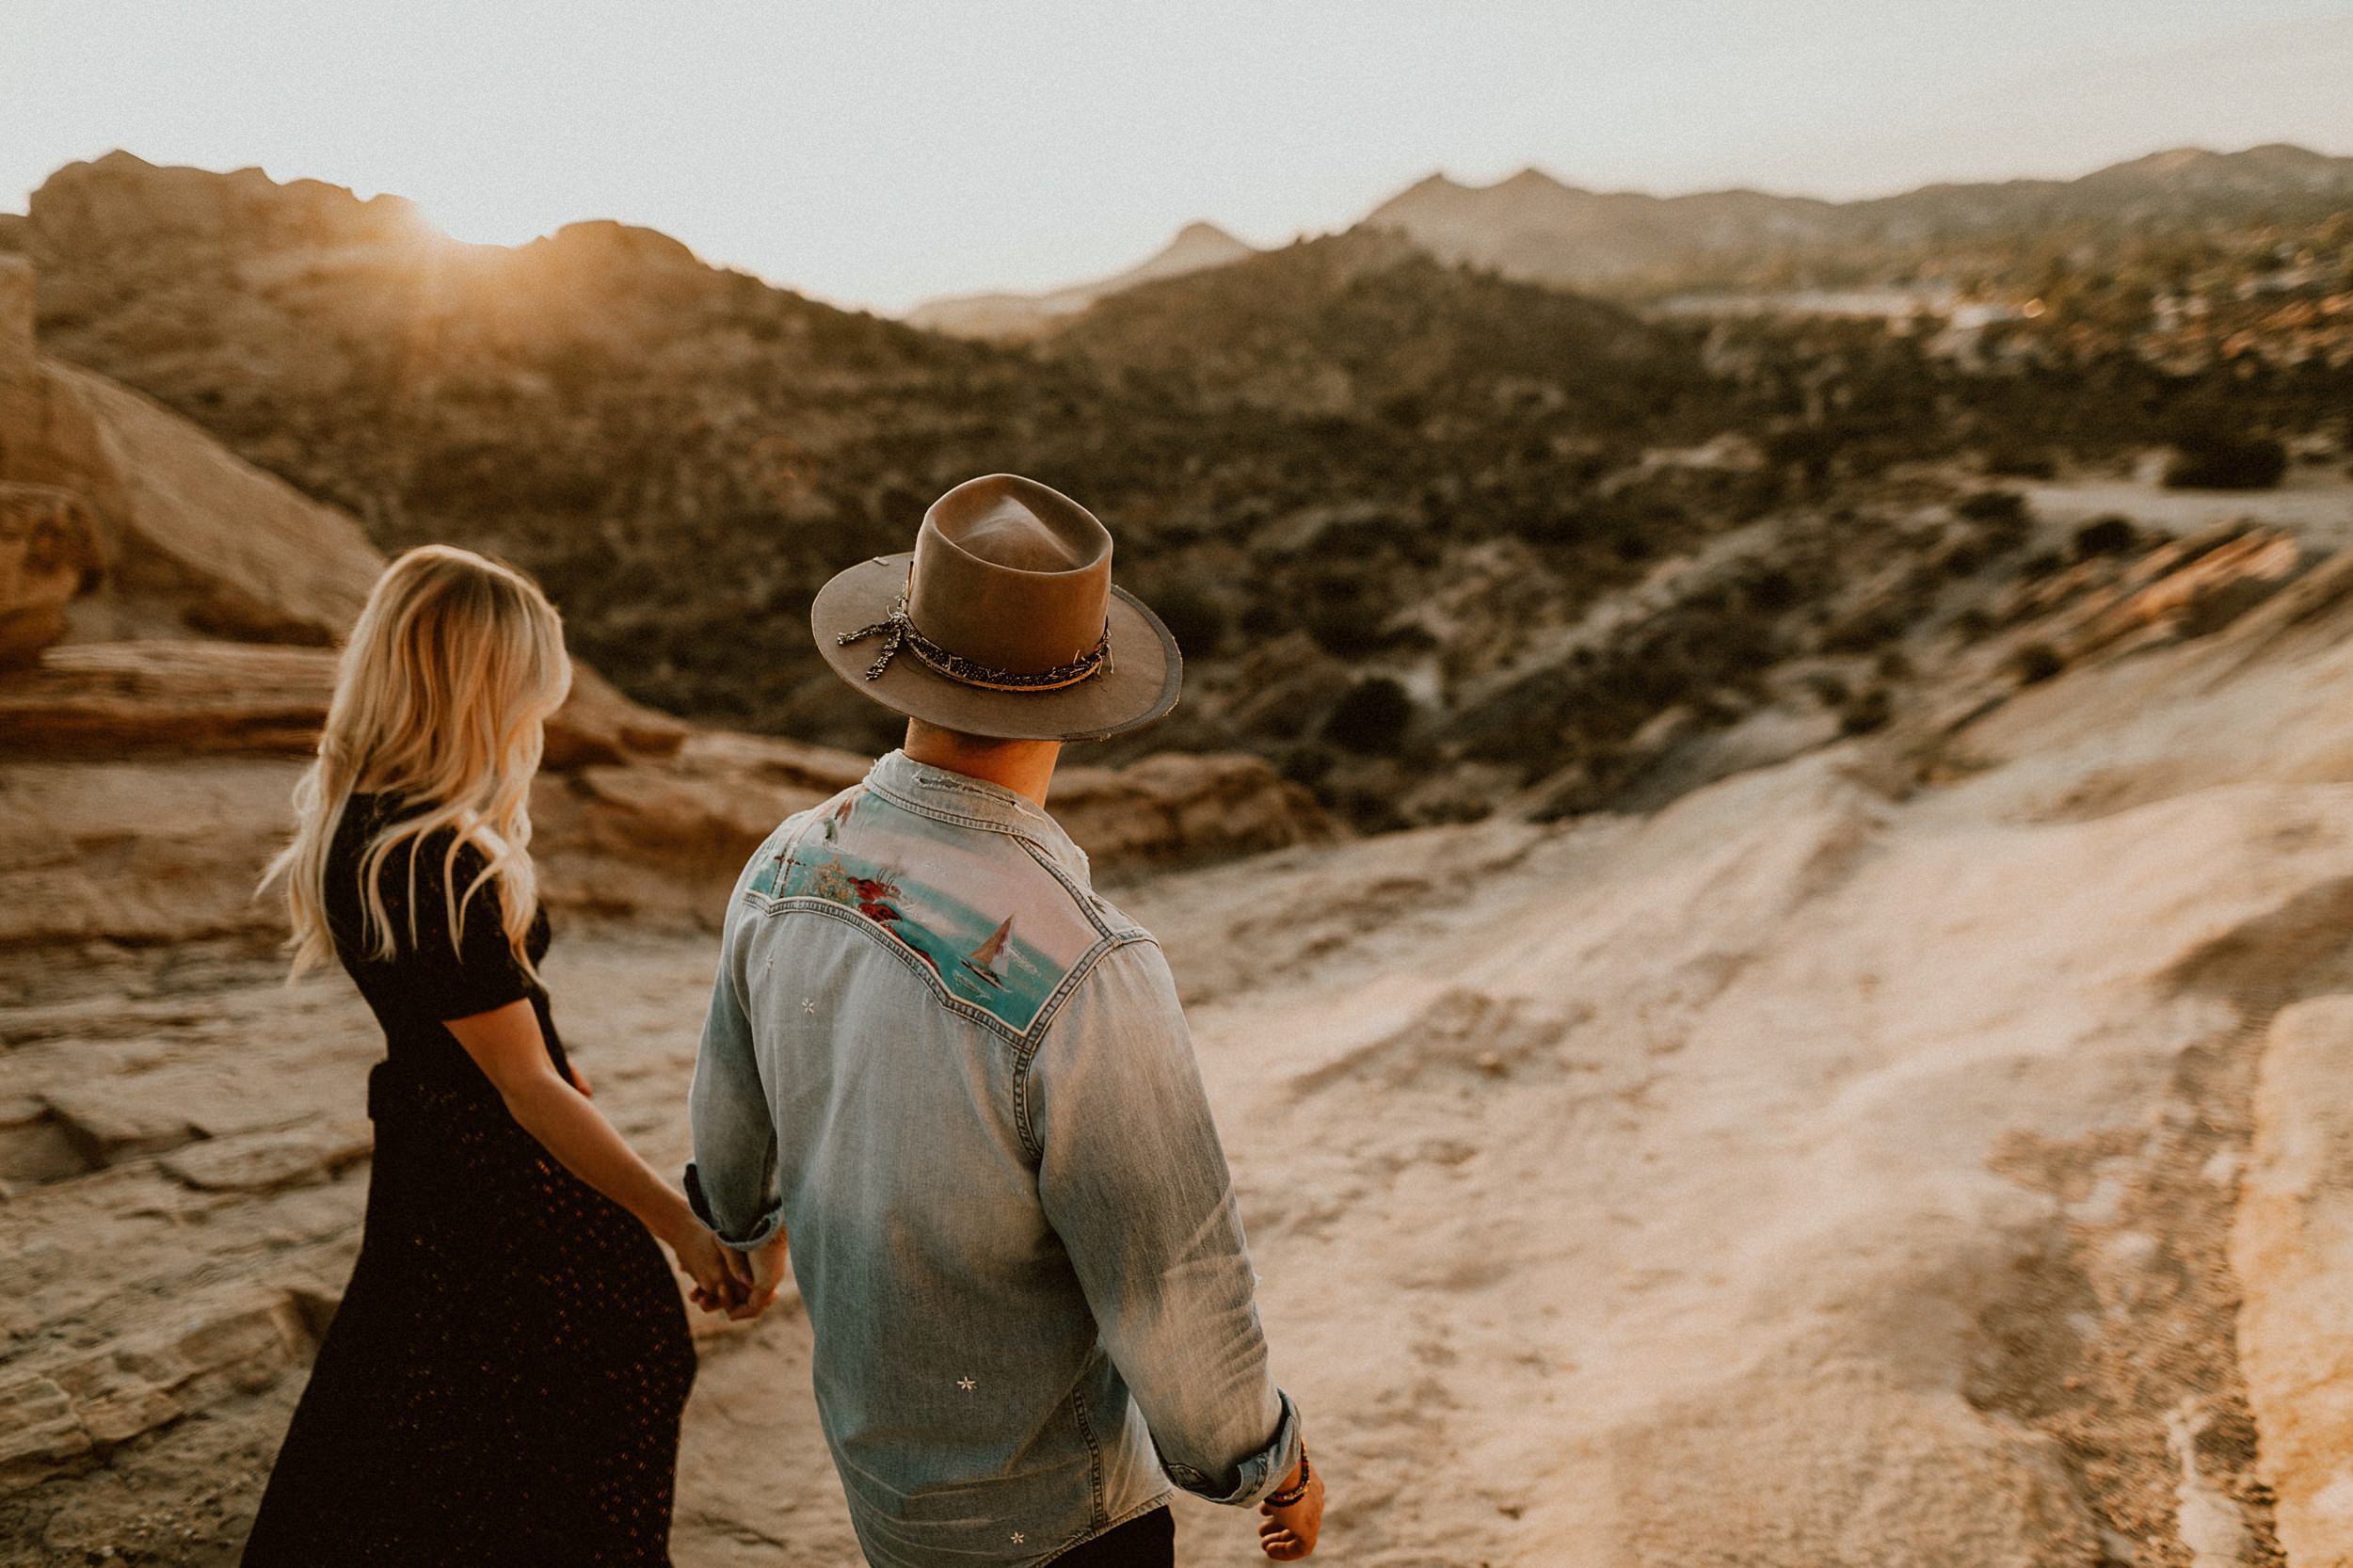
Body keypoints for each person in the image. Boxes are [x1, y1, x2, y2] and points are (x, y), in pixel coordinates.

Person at [685, 474, 1327, 1567]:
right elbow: (1173, 1292)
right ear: (1083, 692)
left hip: (885, 1499)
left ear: (902, 651)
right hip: (1057, 1517)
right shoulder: (1086, 967)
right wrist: (1273, 1462)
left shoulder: (786, 863)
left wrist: (745, 1235)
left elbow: (731, 1129)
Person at [244, 545, 741, 1567]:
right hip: (499, 1192)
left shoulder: (360, 827)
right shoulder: (430, 858)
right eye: (529, 699)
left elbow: (494, 1037)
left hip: (436, 1172)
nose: (536, 727)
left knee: (424, 1435)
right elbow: (524, 1086)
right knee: (606, 1380)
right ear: (478, 692)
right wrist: (683, 1228)